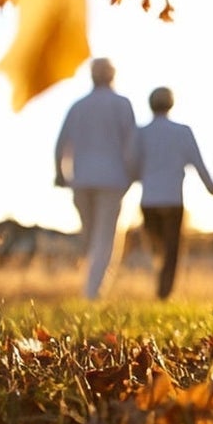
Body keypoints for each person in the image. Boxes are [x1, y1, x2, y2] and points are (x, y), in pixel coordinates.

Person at [53, 57, 139, 299]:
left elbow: (61, 144)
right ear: (112, 76)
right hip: (112, 180)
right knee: (103, 237)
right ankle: (93, 292)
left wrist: (61, 174)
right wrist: (132, 173)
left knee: (90, 235)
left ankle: (90, 287)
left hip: (81, 180)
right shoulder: (122, 105)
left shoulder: (78, 106)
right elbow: (131, 144)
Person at [134, 86, 213, 300]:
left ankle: (159, 287)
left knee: (157, 248)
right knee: (171, 250)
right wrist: (212, 187)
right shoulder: (182, 132)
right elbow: (198, 163)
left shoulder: (140, 133)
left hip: (149, 199)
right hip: (172, 199)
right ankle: (164, 292)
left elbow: (131, 165)